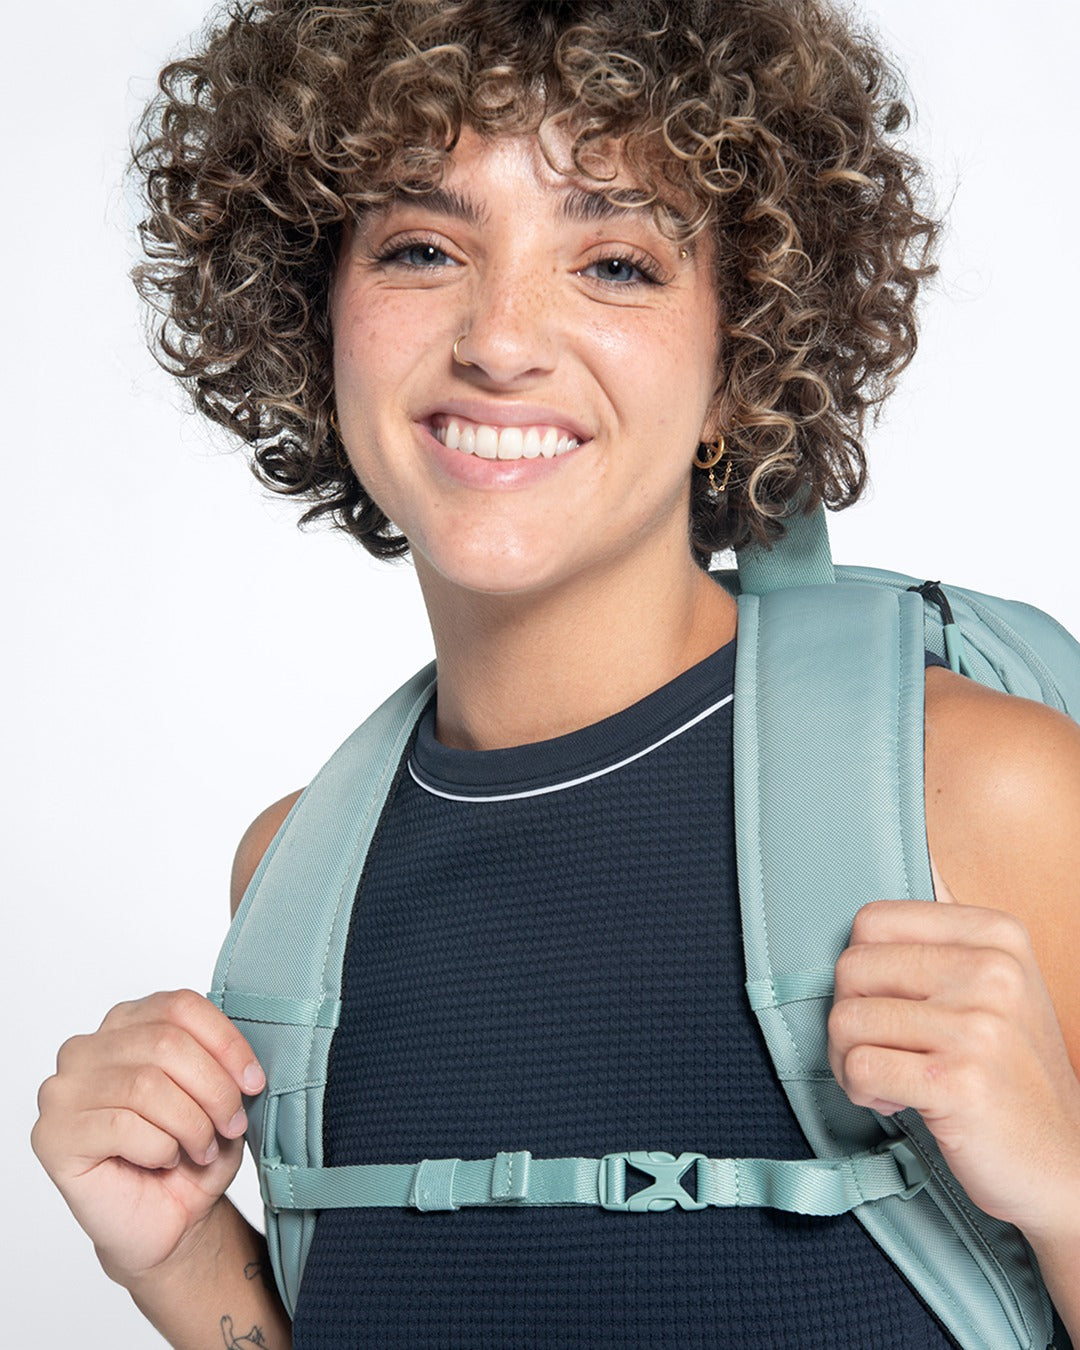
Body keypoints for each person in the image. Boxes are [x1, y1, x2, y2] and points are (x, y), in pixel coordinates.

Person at [31, 1, 1080, 1346]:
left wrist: (1067, 1194)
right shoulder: (296, 887)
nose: (501, 338)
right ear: (314, 306)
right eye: (422, 248)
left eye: (617, 263)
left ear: (742, 357)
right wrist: (181, 1261)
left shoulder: (980, 795)